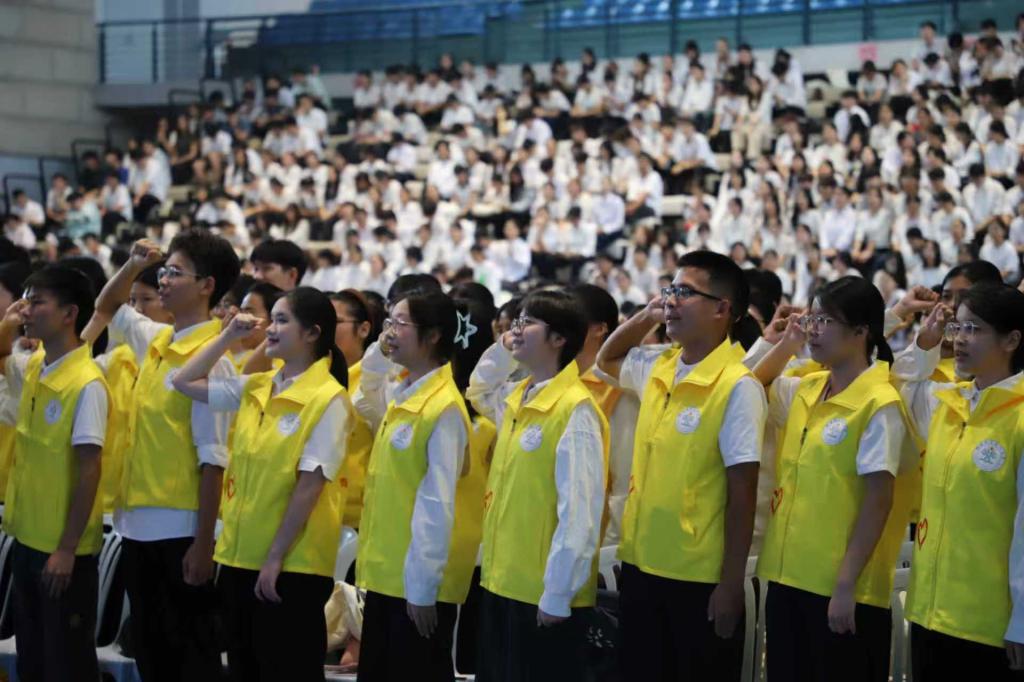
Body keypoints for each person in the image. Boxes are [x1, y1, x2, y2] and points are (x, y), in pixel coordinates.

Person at [596, 250, 765, 680]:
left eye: (685, 292)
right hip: (641, 564)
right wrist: (647, 315)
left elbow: (742, 492)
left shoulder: (738, 386)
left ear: (722, 309)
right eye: (670, 289)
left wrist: (730, 585)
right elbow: (606, 359)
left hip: (697, 578)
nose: (671, 300)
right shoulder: (660, 365)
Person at [173, 287, 353, 681]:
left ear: (312, 333)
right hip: (239, 559)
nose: (270, 329)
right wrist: (227, 336)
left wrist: (274, 559)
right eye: (271, 319)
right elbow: (183, 381)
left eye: (282, 321)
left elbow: (309, 487)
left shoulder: (329, 399)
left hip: (291, 567)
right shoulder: (258, 386)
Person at [752, 277, 920, 681]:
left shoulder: (880, 403)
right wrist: (787, 343)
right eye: (812, 319)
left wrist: (845, 585)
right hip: (788, 576)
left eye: (825, 321)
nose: (814, 330)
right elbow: (754, 383)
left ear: (861, 332)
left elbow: (879, 500)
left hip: (843, 590)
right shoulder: (808, 388)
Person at [91, 232, 241, 682]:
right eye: (165, 271)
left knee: (188, 660)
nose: (164, 280)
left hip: (180, 530)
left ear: (207, 286)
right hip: (137, 523)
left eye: (176, 273)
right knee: (151, 656)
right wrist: (133, 264)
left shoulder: (213, 359)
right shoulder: (157, 339)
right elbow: (108, 304)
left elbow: (213, 460)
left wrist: (203, 542)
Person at [468, 289, 609, 682]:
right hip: (501, 580)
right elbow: (478, 390)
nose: (516, 330)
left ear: (559, 338)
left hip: (543, 594)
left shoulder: (575, 409)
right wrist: (503, 346)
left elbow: (579, 512)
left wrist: (558, 593)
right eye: (515, 322)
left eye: (527, 322)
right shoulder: (517, 397)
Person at [895, 284, 1024, 680]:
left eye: (975, 329)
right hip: (929, 613)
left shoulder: (1019, 416)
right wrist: (927, 341)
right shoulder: (948, 403)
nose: (961, 339)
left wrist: (1021, 620)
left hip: (990, 625)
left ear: (1011, 340)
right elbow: (902, 382)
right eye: (958, 328)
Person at [355, 288, 483, 681]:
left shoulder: (443, 407)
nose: (389, 332)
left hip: (417, 587)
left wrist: (423, 588)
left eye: (400, 323)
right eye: (388, 322)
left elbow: (436, 504)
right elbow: (363, 395)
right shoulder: (403, 393)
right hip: (387, 577)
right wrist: (381, 348)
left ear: (433, 335)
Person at [0, 266, 108, 681]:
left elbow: (88, 469)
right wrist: (9, 322)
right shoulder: (37, 366)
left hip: (62, 552)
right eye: (25, 301)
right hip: (26, 537)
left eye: (37, 302)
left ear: (69, 313)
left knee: (66, 664)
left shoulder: (87, 383)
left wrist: (66, 549)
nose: (26, 311)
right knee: (32, 659)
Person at [330, 289, 376, 530]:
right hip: (316, 509)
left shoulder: (374, 382)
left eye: (336, 322)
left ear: (363, 329)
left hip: (355, 517)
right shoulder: (314, 374)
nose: (326, 329)